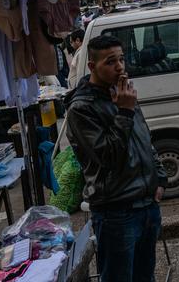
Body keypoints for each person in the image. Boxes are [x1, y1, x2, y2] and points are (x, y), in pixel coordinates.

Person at [65, 35, 167, 282]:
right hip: (116, 211)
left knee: (145, 276)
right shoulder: (82, 108)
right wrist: (124, 112)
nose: (120, 66)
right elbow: (108, 156)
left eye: (121, 59)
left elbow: (144, 139)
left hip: (146, 205)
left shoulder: (123, 93)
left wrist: (159, 178)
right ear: (92, 66)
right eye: (110, 62)